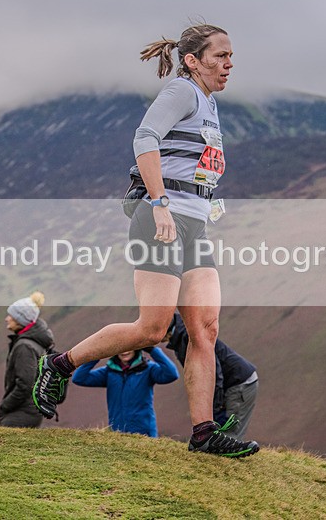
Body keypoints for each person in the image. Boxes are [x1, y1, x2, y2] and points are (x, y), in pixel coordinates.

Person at [33, 23, 259, 457]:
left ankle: (203, 433)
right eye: (220, 56)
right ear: (193, 60)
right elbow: (145, 138)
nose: (229, 64)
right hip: (159, 221)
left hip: (194, 227)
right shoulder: (182, 92)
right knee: (153, 329)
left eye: (232, 57)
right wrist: (159, 203)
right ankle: (60, 365)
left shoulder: (209, 104)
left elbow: (193, 168)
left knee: (205, 329)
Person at [165, 312, 258, 440]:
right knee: (221, 433)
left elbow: (212, 371)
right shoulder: (182, 337)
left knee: (229, 436)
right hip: (233, 382)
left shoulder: (189, 336)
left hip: (239, 383)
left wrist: (216, 405)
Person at [71, 347, 179, 437]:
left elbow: (172, 374)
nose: (124, 351)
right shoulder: (109, 372)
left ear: (137, 348)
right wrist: (98, 354)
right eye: (121, 347)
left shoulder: (148, 369)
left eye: (129, 347)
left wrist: (152, 350)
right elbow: (79, 378)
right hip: (117, 433)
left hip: (144, 432)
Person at [0, 291, 55, 428]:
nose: (7, 319)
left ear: (20, 319)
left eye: (11, 315)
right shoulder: (33, 343)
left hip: (22, 412)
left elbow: (25, 384)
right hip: (30, 410)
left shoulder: (25, 347)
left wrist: (6, 405)